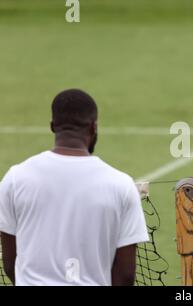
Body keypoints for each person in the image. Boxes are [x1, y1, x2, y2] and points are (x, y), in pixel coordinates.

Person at [0, 89, 149, 286]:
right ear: (94, 127)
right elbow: (125, 274)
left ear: (52, 126)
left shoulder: (15, 179)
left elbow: (11, 262)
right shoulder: (121, 185)